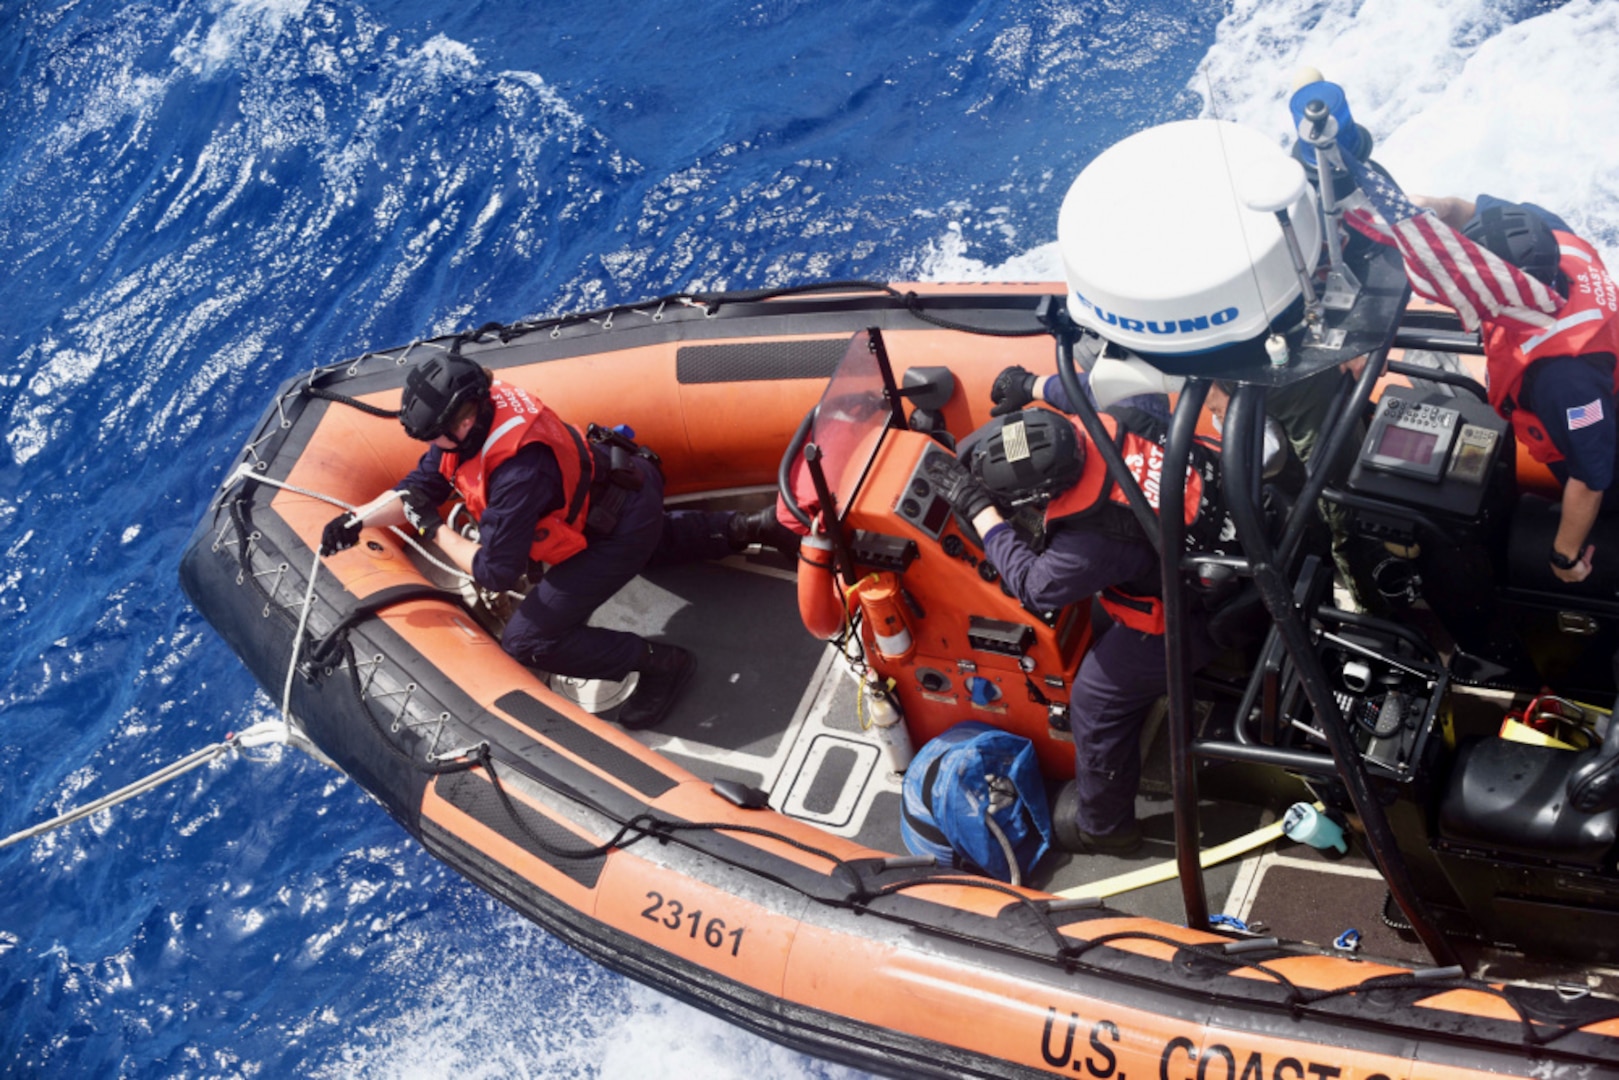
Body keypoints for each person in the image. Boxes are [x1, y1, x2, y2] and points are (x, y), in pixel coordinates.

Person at [321, 351, 799, 730]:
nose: (439, 442)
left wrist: (433, 528)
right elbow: (419, 488)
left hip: (616, 522)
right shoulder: (475, 423)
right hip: (620, 496)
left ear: (464, 419)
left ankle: (662, 665)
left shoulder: (517, 471)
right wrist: (357, 520)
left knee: (528, 641)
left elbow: (495, 570)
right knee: (646, 545)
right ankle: (755, 526)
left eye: (443, 432)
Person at [925, 406, 1223, 855]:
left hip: (1203, 614)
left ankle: (1105, 827)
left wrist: (980, 510)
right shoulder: (1115, 416)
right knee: (1100, 618)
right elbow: (1067, 388)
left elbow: (1034, 587)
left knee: (1095, 698)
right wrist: (1026, 386)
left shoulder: (1092, 540)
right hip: (1222, 545)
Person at [1412, 195, 1619, 584]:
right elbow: (1466, 209)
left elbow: (1592, 477)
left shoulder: (1565, 379)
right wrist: (1429, 205)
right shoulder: (1542, 230)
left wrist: (1564, 556)